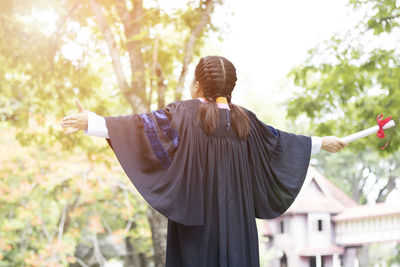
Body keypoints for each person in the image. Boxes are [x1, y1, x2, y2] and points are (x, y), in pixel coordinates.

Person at [61, 55, 347, 267]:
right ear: (230, 87)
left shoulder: (182, 114)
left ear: (197, 85)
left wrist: (94, 122)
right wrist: (321, 143)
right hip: (238, 231)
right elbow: (281, 144)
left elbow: (140, 130)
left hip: (196, 227)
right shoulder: (246, 122)